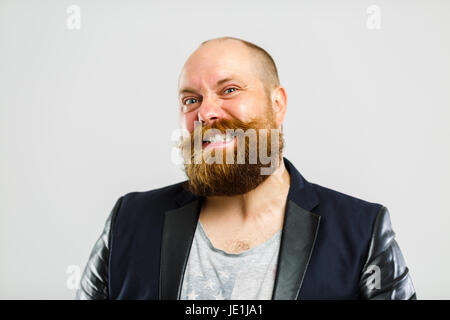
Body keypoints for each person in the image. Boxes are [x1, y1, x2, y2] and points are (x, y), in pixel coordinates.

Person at [76, 37, 416, 300]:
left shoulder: (361, 231)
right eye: (191, 99)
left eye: (230, 90)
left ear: (277, 103)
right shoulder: (129, 221)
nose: (207, 112)